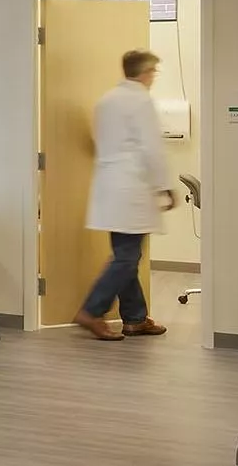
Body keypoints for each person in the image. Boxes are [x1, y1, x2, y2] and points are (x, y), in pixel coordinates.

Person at [74, 48, 177, 341]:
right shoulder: (141, 101)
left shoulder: (106, 100)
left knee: (126, 254)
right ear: (145, 72)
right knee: (127, 257)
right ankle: (92, 310)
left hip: (110, 186)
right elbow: (152, 149)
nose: (154, 77)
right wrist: (164, 186)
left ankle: (134, 318)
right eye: (154, 72)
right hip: (132, 186)